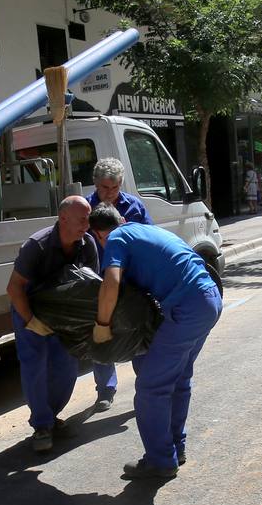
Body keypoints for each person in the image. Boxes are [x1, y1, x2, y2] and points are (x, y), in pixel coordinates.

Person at [89, 204, 222, 479]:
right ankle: (175, 448)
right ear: (122, 219)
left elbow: (111, 282)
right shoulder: (146, 230)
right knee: (179, 378)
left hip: (187, 307)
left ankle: (160, 461)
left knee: (151, 388)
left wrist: (102, 325)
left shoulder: (115, 238)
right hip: (210, 297)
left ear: (99, 235)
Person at [5, 196, 99, 451]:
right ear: (63, 218)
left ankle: (51, 415)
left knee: (66, 366)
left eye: (88, 219)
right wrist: (31, 321)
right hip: (30, 309)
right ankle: (41, 426)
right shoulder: (37, 245)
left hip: (64, 313)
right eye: (82, 219)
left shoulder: (87, 244)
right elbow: (14, 288)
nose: (86, 225)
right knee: (35, 365)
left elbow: (93, 287)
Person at [85, 157, 152, 414]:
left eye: (114, 188)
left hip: (131, 281)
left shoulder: (134, 207)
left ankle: (146, 386)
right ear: (95, 185)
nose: (109, 194)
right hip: (98, 281)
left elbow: (149, 238)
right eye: (104, 188)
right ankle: (105, 389)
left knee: (138, 333)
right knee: (100, 334)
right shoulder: (86, 209)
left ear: (121, 185)